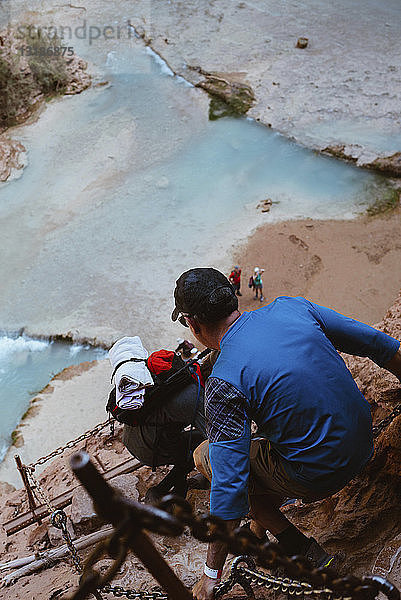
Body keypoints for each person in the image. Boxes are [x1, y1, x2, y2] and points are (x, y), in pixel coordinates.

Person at [170, 268, 401, 600]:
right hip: (364, 440)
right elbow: (378, 344)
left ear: (192, 325)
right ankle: (259, 527)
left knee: (206, 455)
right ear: (233, 296)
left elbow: (229, 487)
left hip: (319, 475)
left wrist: (210, 576)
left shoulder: (223, 381)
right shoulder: (293, 307)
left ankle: (300, 547)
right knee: (248, 455)